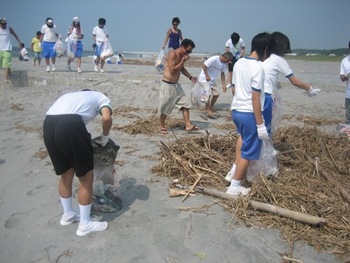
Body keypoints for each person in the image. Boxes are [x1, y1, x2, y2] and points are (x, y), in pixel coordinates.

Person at [43, 89, 112, 236]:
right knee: (86, 177)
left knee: (66, 173)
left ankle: (68, 215)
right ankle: (85, 224)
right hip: (70, 125)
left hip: (48, 123)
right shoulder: (101, 97)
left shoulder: (71, 95)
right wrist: (105, 137)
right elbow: (106, 118)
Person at [225, 32, 273, 196]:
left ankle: (233, 174)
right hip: (248, 113)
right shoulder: (258, 68)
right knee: (249, 151)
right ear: (265, 49)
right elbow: (255, 99)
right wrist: (260, 125)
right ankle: (234, 187)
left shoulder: (239, 62)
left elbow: (235, 87)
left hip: (236, 111)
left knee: (244, 142)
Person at [262, 32, 320, 134]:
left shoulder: (264, 57)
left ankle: (261, 148)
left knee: (259, 125)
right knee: (266, 127)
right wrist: (310, 89)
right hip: (266, 96)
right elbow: (294, 81)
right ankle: (265, 149)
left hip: (255, 94)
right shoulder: (278, 59)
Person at [159, 38, 199, 134]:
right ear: (182, 47)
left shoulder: (182, 55)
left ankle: (188, 125)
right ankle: (161, 126)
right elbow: (172, 69)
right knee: (165, 107)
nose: (188, 53)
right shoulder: (173, 54)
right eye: (187, 50)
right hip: (167, 84)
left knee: (185, 104)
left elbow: (182, 69)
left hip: (176, 85)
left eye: (190, 52)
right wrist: (182, 61)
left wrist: (190, 77)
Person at [197, 52, 233, 117]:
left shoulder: (224, 64)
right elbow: (204, 66)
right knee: (208, 95)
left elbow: (222, 74)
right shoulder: (214, 59)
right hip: (204, 79)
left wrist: (224, 85)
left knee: (216, 94)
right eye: (227, 60)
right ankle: (208, 109)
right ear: (224, 57)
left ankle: (210, 107)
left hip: (212, 81)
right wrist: (207, 75)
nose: (227, 62)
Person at [0, 17, 22, 83]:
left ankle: (6, 78)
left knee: (6, 65)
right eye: (2, 24)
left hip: (7, 49)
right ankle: (9, 72)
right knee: (3, 65)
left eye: (5, 24)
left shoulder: (9, 29)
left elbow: (15, 35)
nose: (4, 25)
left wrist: (19, 42)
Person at [340, 41, 350, 124]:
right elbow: (342, 78)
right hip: (349, 95)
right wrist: (347, 76)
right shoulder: (345, 61)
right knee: (348, 119)